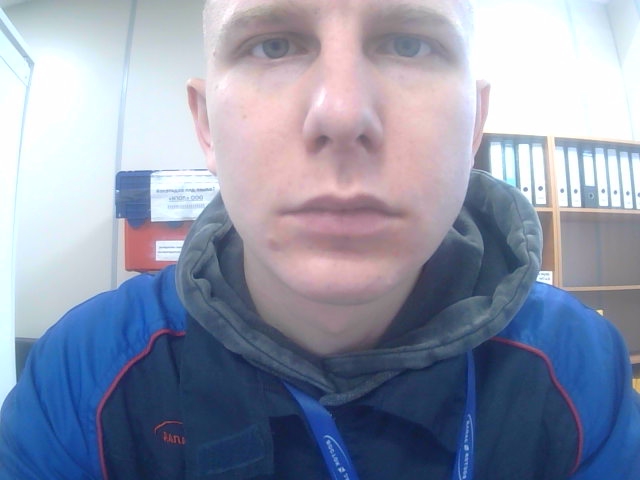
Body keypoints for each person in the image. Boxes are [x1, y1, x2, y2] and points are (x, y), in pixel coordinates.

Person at [1, 0, 639, 478]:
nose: (341, 113)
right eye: (273, 45)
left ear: (475, 125)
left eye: (408, 44)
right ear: (206, 127)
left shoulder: (581, 365)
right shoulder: (82, 374)